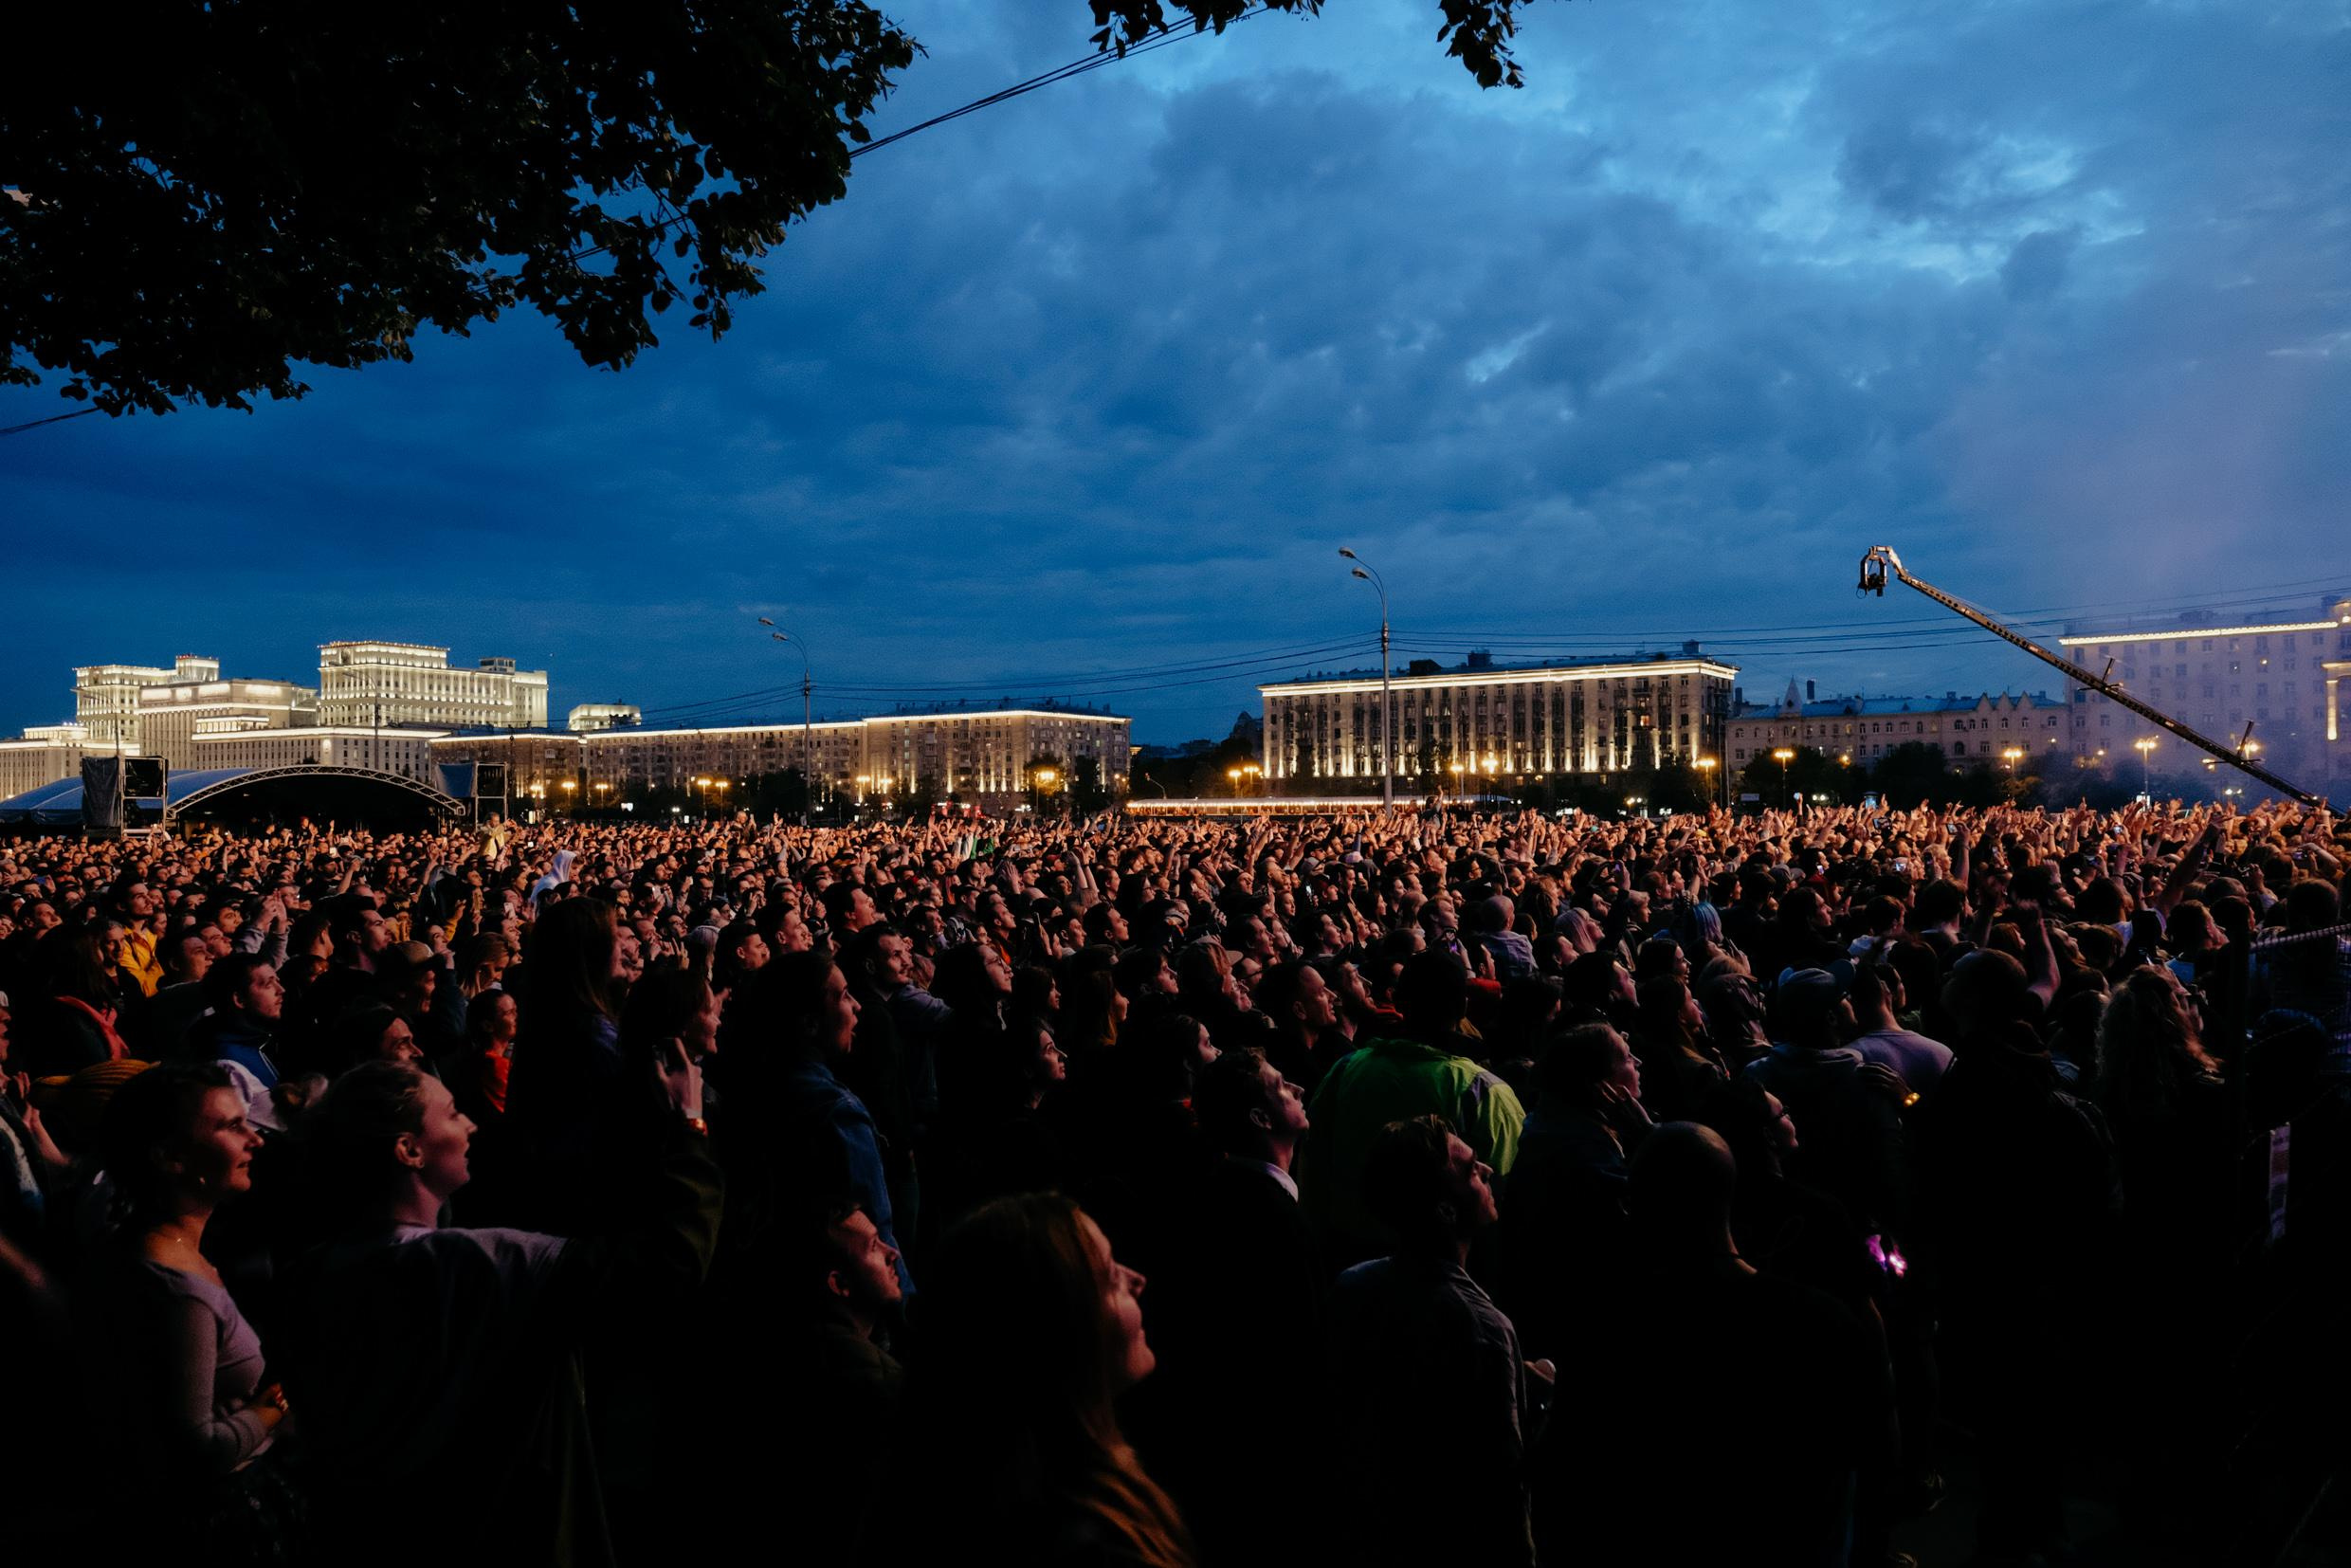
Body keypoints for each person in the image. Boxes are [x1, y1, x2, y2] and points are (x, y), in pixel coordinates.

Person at [280, 1051, 718, 1568]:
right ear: (408, 1150)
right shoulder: (475, 1264)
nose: (469, 1124)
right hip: (504, 1534)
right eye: (451, 1113)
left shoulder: (313, 1269)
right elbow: (668, 1264)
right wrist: (690, 1124)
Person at [1533, 1121, 1894, 1567]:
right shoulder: (1823, 1321)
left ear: (1642, 1207)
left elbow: (1570, 1474)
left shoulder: (1612, 1326)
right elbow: (1864, 1451)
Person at [884, 1192, 1194, 1566]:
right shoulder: (1091, 1543)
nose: (1137, 1280)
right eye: (1111, 1275)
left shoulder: (992, 1504)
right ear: (1057, 1329)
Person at [82, 1062, 297, 1558]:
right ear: (170, 1157)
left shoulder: (152, 1251)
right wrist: (271, 1408)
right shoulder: (176, 1291)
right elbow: (192, 1451)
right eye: (231, 1126)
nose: (256, 1140)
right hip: (225, 1525)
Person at [1131, 1048, 1321, 1566]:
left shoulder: (1218, 1194)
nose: (1298, 1089)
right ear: (1260, 1118)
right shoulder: (1272, 1218)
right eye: (1282, 1086)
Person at [1325, 1115, 1541, 1566]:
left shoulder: (1353, 1285)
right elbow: (1503, 1485)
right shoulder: (1484, 1328)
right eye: (1472, 1170)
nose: (1488, 1173)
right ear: (1445, 1209)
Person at [1302, 951, 1526, 1267]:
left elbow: (1312, 1164)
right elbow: (1512, 1196)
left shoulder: (1345, 1070)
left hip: (1347, 1260)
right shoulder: (1484, 1092)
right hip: (1454, 1270)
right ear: (1463, 1006)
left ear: (1400, 1002)